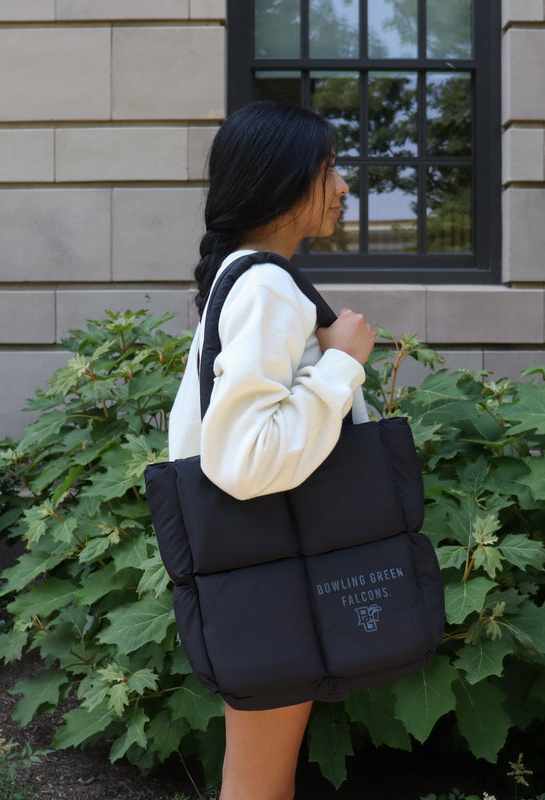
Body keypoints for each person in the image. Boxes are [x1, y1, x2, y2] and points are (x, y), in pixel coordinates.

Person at [167, 100, 376, 800]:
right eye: (329, 168)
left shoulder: (245, 279)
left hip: (257, 565)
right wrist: (342, 364)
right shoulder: (266, 288)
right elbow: (247, 458)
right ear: (285, 181)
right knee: (259, 784)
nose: (345, 186)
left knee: (254, 775)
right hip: (278, 565)